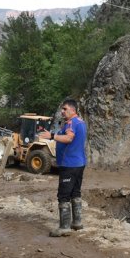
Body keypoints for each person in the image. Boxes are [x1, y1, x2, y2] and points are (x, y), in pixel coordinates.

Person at [39, 99, 87, 237]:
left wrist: (52, 136)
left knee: (64, 195)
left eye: (65, 109)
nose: (62, 111)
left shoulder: (72, 123)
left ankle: (65, 227)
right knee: (75, 193)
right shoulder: (81, 123)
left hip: (69, 164)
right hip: (79, 163)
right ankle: (77, 222)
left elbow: (69, 138)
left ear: (72, 110)